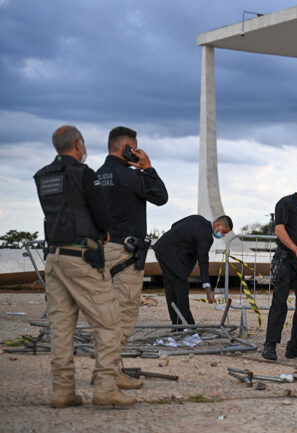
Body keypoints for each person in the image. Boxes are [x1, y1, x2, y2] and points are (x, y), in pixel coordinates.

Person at [34, 125, 135, 408]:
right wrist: (102, 231)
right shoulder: (84, 174)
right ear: (78, 144)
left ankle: (63, 391)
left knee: (61, 328)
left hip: (54, 257)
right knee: (109, 323)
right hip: (82, 257)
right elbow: (101, 215)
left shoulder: (43, 176)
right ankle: (106, 388)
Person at [96, 126, 168, 390]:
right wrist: (147, 167)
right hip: (124, 254)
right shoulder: (128, 175)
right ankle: (109, 374)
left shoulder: (96, 176)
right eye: (134, 148)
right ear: (126, 148)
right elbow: (161, 196)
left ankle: (104, 369)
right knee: (123, 315)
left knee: (105, 315)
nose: (137, 152)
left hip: (100, 252)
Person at [153, 215, 232, 324]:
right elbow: (203, 262)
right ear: (218, 224)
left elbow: (174, 225)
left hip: (162, 248)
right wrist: (208, 291)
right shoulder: (206, 236)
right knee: (181, 289)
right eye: (224, 232)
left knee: (171, 289)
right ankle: (188, 327)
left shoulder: (198, 219)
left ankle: (177, 326)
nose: (223, 235)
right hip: (172, 256)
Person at [263, 192, 297, 361]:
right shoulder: (286, 203)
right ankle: (270, 345)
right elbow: (279, 229)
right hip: (285, 259)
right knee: (279, 303)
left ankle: (295, 346)